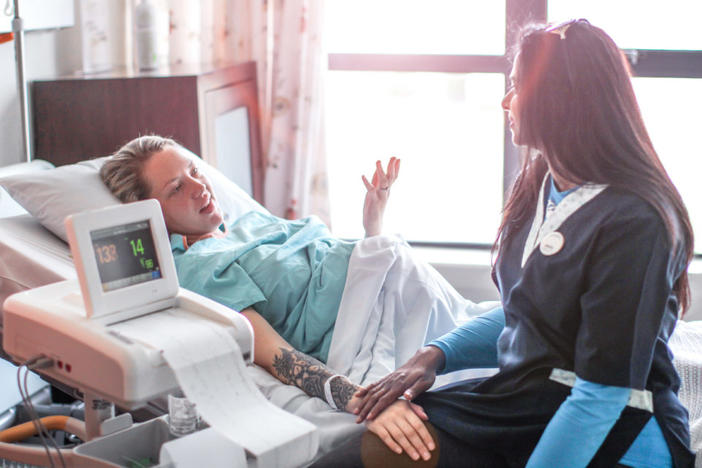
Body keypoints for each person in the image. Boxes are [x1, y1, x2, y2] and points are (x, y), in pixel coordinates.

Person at [316, 19, 696, 467]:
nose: (505, 101)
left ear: (557, 100)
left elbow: (603, 396)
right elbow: (531, 310)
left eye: (516, 86)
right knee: (360, 453)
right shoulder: (544, 180)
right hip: (526, 401)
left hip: (616, 425)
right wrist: (435, 355)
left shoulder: (636, 222)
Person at [100, 134, 439, 460]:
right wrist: (363, 400)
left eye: (194, 171)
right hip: (364, 329)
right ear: (153, 215)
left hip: (395, 289)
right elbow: (274, 354)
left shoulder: (251, 223)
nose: (199, 187)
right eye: (177, 188)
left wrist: (372, 227)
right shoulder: (199, 267)